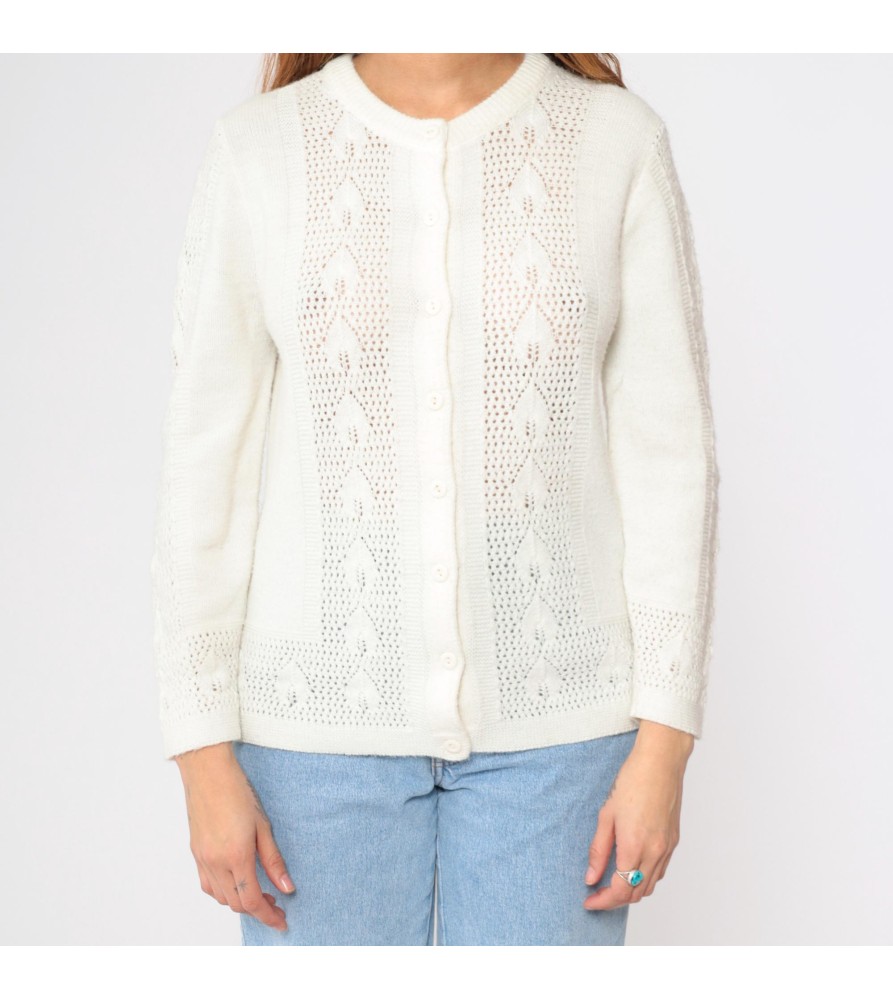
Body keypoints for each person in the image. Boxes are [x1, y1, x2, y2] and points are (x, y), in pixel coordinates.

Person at [149, 52, 720, 946]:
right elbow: (204, 464)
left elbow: (669, 458)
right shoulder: (259, 148)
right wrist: (200, 752)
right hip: (312, 741)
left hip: (561, 736)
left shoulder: (615, 142)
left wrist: (664, 742)